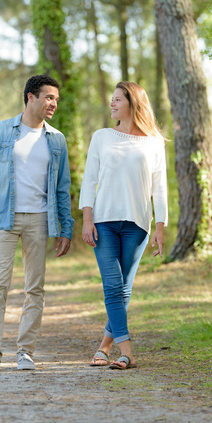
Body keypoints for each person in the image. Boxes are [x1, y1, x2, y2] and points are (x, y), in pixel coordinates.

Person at [0, 74, 74, 374]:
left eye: (56, 98)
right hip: (4, 217)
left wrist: (65, 228)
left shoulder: (57, 140)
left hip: (40, 220)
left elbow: (62, 188)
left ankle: (25, 352)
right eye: (49, 97)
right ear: (31, 97)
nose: (54, 103)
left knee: (35, 288)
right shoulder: (0, 131)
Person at [79, 81, 168, 370]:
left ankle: (104, 347)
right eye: (112, 99)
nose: (112, 104)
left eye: (118, 99)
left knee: (124, 288)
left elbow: (160, 187)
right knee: (113, 285)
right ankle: (127, 351)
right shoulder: (102, 137)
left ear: (133, 102)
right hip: (103, 221)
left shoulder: (153, 141)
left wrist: (160, 225)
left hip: (138, 223)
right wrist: (87, 218)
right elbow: (89, 178)